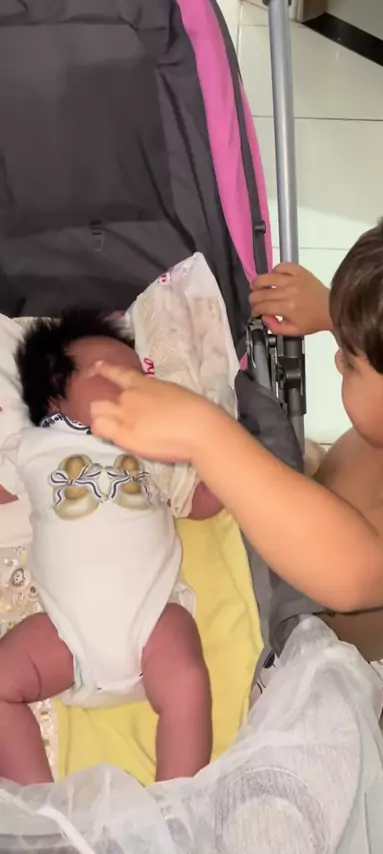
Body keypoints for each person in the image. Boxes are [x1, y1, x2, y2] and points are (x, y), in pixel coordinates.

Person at [87, 202, 383, 717]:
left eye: (352, 362)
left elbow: (348, 574)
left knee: (378, 696)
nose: (337, 358)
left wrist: (207, 434)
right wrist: (337, 314)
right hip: (332, 515)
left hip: (350, 646)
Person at [0, 310, 216, 785]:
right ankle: (43, 810)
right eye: (112, 375)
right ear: (54, 395)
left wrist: (225, 457)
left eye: (139, 377)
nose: (133, 387)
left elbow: (198, 501)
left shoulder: (153, 445)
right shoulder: (31, 446)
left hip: (153, 619)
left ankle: (176, 807)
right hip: (67, 634)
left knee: (186, 681)